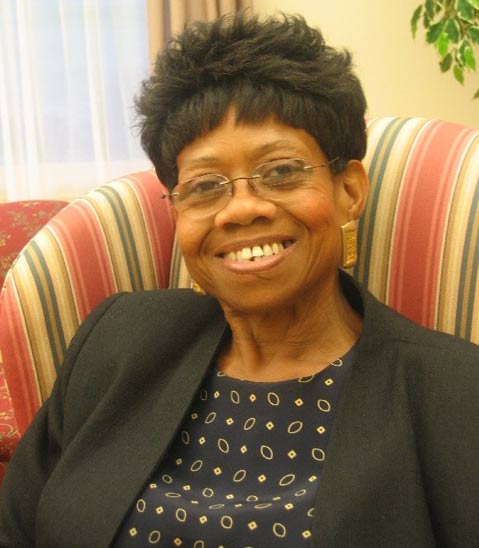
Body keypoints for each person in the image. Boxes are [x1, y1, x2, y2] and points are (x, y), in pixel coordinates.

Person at [0, 11, 478, 548]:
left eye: (282, 172)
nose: (242, 208)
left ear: (349, 190)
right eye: (206, 186)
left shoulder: (455, 393)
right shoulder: (116, 341)